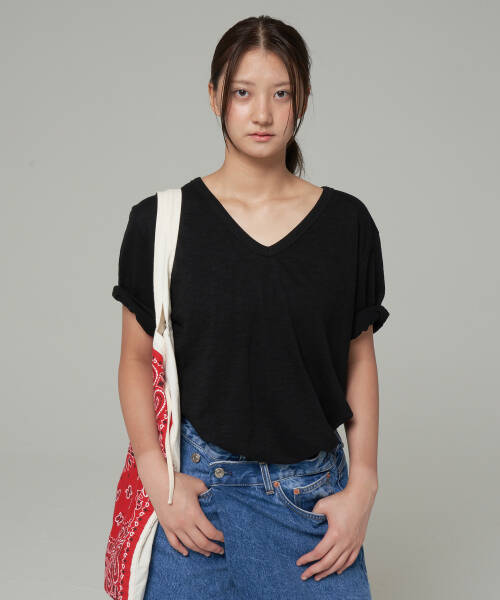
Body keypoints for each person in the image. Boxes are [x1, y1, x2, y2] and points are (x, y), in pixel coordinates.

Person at [111, 14, 389, 600]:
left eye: (280, 94)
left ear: (302, 100)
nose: (262, 114)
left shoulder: (348, 225)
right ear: (215, 97)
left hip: (310, 503)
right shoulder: (159, 222)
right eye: (243, 93)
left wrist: (363, 483)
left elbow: (358, 357)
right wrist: (158, 478)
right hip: (195, 504)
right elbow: (135, 359)